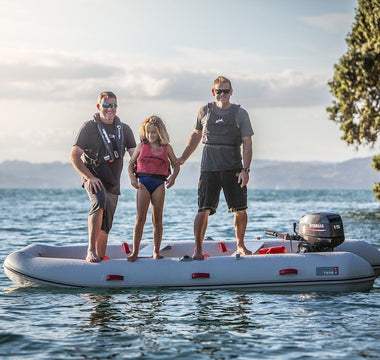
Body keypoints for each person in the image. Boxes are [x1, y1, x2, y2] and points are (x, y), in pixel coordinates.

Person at [178, 76, 254, 260]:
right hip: (209, 167)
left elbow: (247, 142)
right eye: (219, 91)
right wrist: (182, 159)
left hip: (233, 167)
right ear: (213, 92)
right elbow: (196, 135)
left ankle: (240, 245)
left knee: (240, 209)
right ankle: (197, 249)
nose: (222, 94)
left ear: (231, 92)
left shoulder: (240, 113)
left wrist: (245, 170)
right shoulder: (204, 110)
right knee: (203, 209)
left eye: (226, 91)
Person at [70, 91, 136, 263]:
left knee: (106, 223)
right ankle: (90, 251)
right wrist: (89, 177)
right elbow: (74, 156)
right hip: (94, 177)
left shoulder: (125, 129)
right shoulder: (88, 127)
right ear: (99, 106)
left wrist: (139, 174)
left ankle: (100, 258)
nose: (109, 109)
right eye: (106, 105)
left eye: (113, 105)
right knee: (99, 203)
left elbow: (134, 155)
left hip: (113, 182)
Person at [127, 116, 179, 262]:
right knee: (140, 218)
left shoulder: (166, 148)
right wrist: (132, 178)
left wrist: (173, 178)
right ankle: (135, 252)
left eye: (153, 133)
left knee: (158, 219)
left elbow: (176, 165)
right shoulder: (141, 146)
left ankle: (156, 251)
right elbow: (130, 165)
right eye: (148, 132)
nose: (150, 136)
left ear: (160, 133)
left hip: (159, 184)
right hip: (143, 183)